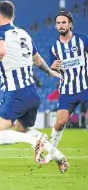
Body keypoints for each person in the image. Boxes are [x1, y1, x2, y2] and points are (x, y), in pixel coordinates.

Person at [0, 0, 69, 173]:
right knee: (21, 128)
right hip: (32, 93)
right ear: (13, 16)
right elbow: (37, 59)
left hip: (16, 94)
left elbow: (0, 51)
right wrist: (49, 72)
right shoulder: (24, 34)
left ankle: (35, 142)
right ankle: (57, 155)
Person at [44, 11, 88, 162]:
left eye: (64, 22)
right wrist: (53, 67)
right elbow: (51, 72)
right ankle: (51, 152)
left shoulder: (83, 40)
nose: (61, 25)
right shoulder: (54, 48)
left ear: (70, 24)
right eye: (58, 23)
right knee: (60, 122)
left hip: (85, 88)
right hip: (67, 90)